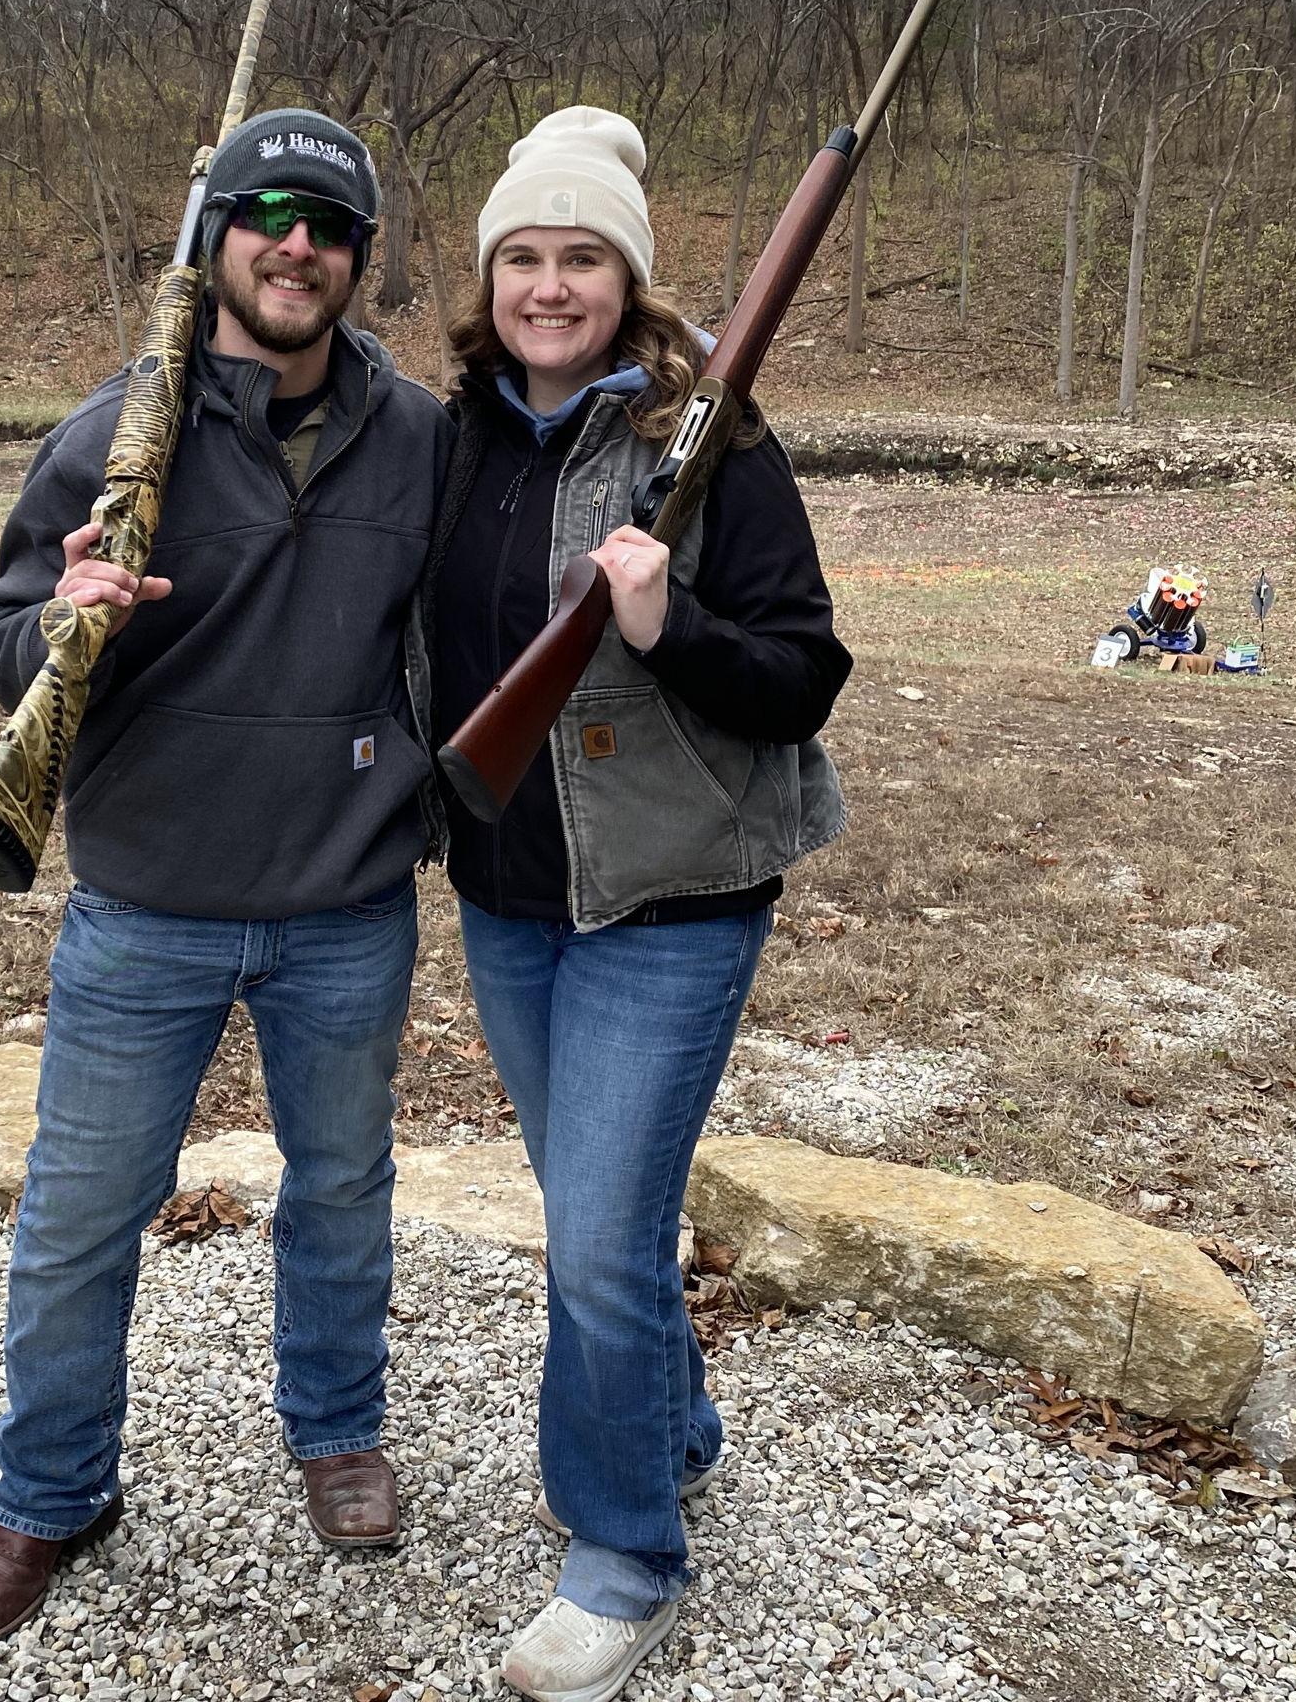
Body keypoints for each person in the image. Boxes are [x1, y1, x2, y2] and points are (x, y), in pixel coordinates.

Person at [0, 109, 450, 1651]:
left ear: (360, 260)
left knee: (342, 1197)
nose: (299, 244)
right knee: (83, 1218)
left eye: (332, 225)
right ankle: (47, 1499)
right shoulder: (110, 433)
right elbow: (5, 640)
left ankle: (336, 1432)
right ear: (218, 236)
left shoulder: (416, 432)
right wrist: (65, 616)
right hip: (145, 907)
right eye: (269, 213)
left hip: (346, 906)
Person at [427, 107, 852, 1702]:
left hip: (670, 903)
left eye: (583, 257)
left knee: (599, 1244)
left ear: (632, 281)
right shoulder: (447, 437)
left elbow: (803, 679)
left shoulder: (717, 449)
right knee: (598, 1227)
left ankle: (622, 1558)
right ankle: (671, 1429)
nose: (550, 286)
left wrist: (669, 627)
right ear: (490, 281)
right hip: (507, 896)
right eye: (524, 257)